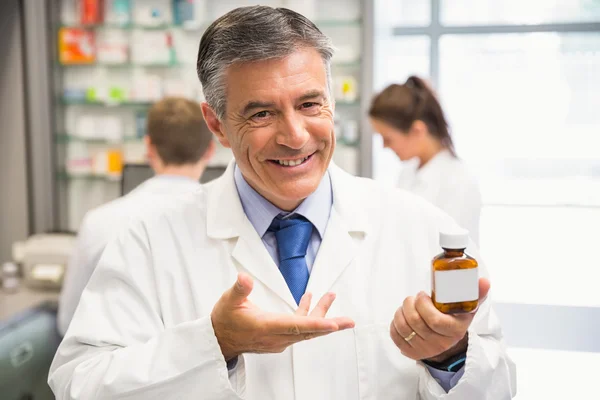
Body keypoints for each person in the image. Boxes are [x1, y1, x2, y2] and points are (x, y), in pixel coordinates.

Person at [49, 6, 516, 399]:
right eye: (262, 112)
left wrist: (448, 357)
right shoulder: (150, 241)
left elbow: (499, 384)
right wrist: (214, 343)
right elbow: (78, 384)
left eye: (310, 104)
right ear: (216, 125)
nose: (295, 137)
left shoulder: (421, 229)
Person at [57, 97, 215, 336]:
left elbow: (69, 321)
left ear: (149, 147)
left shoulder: (99, 222)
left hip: (118, 367)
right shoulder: (224, 220)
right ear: (210, 150)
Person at [369, 77, 483, 244]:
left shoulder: (459, 182)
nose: (384, 146)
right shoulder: (408, 171)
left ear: (417, 131)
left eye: (388, 138)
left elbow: (451, 255)